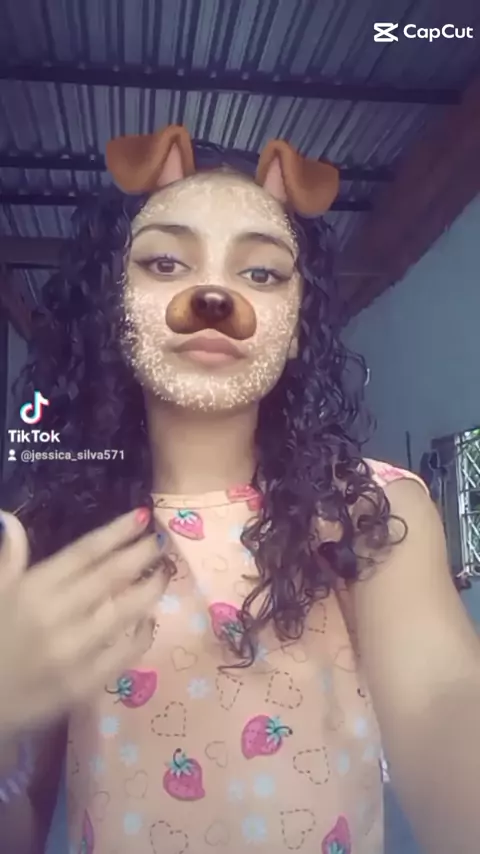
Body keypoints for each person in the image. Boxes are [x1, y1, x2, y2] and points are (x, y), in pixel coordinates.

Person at [1, 125, 479, 854]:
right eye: (165, 262)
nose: (213, 294)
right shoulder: (53, 531)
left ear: (296, 328)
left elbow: (442, 698)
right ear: (116, 310)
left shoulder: (366, 512)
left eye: (261, 273)